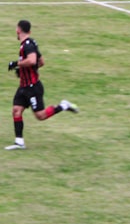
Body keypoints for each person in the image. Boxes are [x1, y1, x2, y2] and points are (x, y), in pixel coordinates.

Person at [5, 19, 78, 150]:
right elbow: (41, 62)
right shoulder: (30, 43)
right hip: (24, 86)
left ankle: (63, 106)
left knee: (40, 116)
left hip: (33, 87)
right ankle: (19, 142)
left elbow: (32, 60)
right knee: (16, 110)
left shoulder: (28, 45)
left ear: (18, 30)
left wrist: (17, 64)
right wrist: (23, 71)